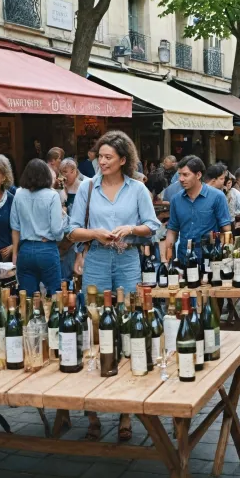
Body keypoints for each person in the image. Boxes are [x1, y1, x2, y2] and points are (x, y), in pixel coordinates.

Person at [68, 131, 159, 442]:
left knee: (128, 325)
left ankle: (126, 410)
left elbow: (153, 227)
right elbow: (71, 230)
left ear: (123, 160)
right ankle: (91, 409)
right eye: (99, 156)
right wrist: (94, 233)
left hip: (127, 260)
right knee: (94, 326)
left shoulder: (137, 189)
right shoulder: (87, 188)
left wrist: (130, 228)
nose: (102, 161)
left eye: (108, 157)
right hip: (95, 260)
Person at [11, 159, 66, 295]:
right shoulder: (52, 195)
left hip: (25, 249)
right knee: (55, 296)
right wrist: (64, 220)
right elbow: (57, 231)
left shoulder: (18, 193)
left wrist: (15, 254)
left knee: (27, 298)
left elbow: (15, 226)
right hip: (46, 248)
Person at [166, 155, 231, 263]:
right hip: (184, 258)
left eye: (186, 175)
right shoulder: (176, 200)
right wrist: (167, 259)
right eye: (179, 175)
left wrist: (222, 253)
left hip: (210, 259)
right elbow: (172, 231)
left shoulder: (217, 197)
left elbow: (226, 230)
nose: (181, 179)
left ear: (198, 175)